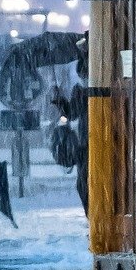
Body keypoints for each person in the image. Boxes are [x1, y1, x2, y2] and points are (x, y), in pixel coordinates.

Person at [50, 34, 88, 216]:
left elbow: (72, 113)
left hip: (88, 142)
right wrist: (59, 101)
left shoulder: (82, 89)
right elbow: (72, 112)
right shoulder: (81, 90)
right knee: (84, 185)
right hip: (87, 142)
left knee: (84, 184)